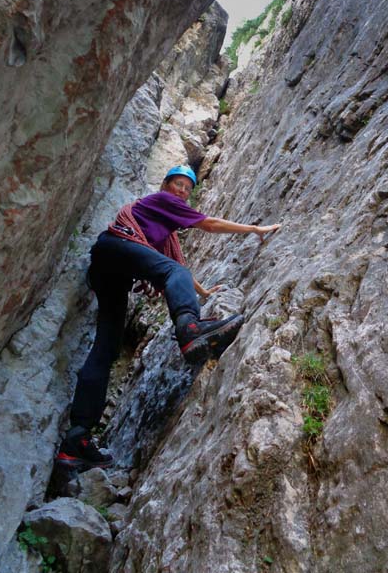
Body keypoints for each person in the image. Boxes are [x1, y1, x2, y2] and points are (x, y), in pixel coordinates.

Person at [56, 165, 280, 470]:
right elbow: (208, 226)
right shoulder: (162, 201)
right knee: (174, 275)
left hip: (111, 266)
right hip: (119, 248)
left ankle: (76, 440)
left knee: (106, 347)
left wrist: (201, 292)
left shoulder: (161, 228)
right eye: (177, 184)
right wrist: (255, 230)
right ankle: (189, 327)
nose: (182, 192)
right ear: (165, 185)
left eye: (187, 189)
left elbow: (173, 264)